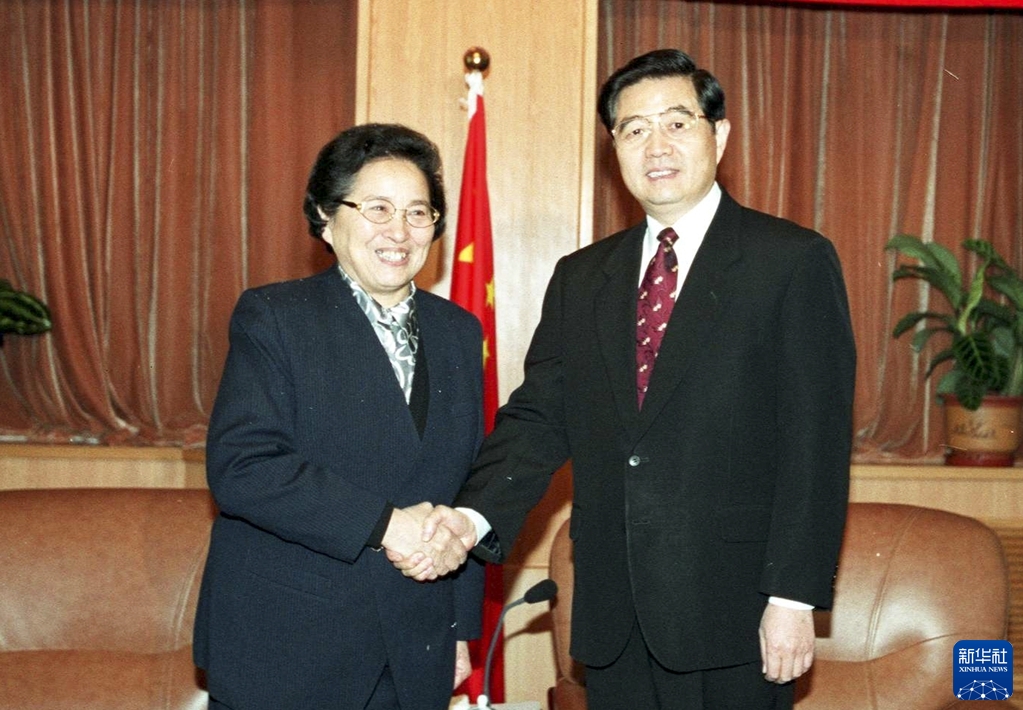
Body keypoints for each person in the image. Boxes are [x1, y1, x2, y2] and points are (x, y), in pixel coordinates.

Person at [395, 49, 856, 710]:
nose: (655, 146)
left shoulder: (790, 261)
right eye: (634, 129)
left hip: (736, 614)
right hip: (613, 616)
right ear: (614, 149)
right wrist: (471, 519)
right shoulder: (582, 278)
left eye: (677, 123)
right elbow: (538, 419)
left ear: (720, 135)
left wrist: (792, 597)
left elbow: (816, 445)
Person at [193, 123, 484, 710]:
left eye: (418, 212)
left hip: (414, 642)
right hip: (290, 646)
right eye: (377, 208)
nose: (399, 231)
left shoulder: (458, 331)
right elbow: (244, 467)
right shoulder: (276, 315)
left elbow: (463, 482)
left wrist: (458, 627)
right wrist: (387, 525)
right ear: (326, 217)